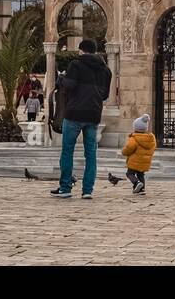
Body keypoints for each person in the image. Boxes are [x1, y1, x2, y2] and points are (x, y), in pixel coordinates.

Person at [50, 39, 112, 200]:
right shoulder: (105, 70)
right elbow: (105, 95)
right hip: (93, 115)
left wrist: (62, 78)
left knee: (67, 151)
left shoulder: (76, 65)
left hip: (74, 114)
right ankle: (87, 190)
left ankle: (65, 187)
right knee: (91, 153)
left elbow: (69, 86)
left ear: (81, 50)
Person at [122, 113, 157, 194]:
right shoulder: (151, 138)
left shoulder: (134, 138)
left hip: (134, 161)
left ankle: (137, 183)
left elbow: (129, 148)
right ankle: (141, 189)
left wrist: (123, 152)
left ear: (135, 128)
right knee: (141, 174)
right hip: (144, 161)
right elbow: (153, 147)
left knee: (129, 173)